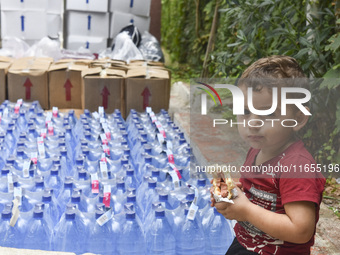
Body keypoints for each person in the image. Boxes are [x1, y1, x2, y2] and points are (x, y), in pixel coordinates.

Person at [211, 55, 326, 255]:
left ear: (297, 118)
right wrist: (231, 194)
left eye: (268, 114)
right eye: (246, 111)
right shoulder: (257, 150)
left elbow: (301, 231)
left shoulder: (296, 166)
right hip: (246, 242)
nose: (253, 122)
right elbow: (257, 191)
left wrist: (246, 210)